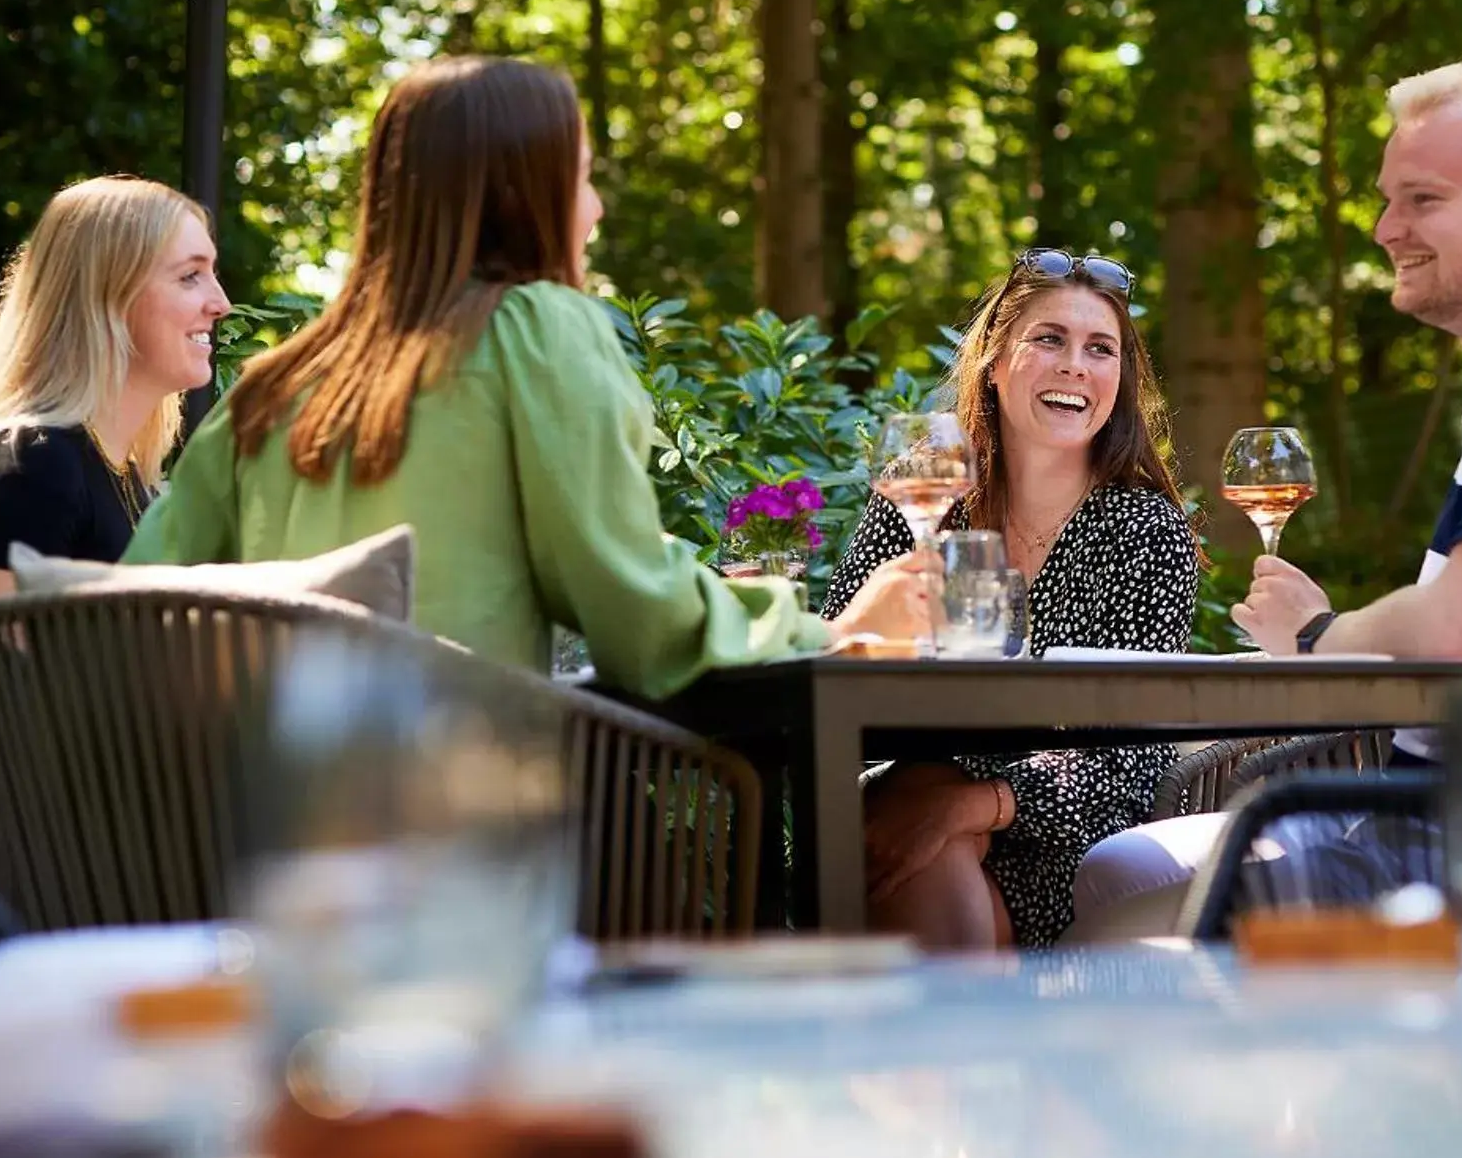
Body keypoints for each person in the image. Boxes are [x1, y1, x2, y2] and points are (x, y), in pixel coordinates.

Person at [1066, 58, 1462, 937]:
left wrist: (1320, 638)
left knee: (1119, 881)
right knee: (1125, 868)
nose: (1386, 227)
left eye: (1423, 200)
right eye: (1388, 199)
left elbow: (1456, 626)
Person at [127, 55, 932, 696]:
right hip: (461, 841)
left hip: (260, 848)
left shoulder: (276, 384)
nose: (594, 212)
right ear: (525, 196)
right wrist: (823, 628)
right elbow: (636, 612)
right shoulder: (536, 332)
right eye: (581, 179)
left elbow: (130, 611)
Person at [820, 248, 1201, 950]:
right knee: (906, 827)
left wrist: (969, 804)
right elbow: (838, 655)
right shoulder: (926, 495)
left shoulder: (1145, 532)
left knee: (925, 840)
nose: (1074, 366)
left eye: (1100, 349)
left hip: (1063, 829)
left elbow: (1134, 753)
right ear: (995, 363)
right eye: (1049, 339)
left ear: (1119, 379)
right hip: (907, 786)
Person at [0, 176, 231, 715]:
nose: (221, 303)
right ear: (107, 295)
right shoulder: (32, 467)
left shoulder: (124, 477)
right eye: (190, 276)